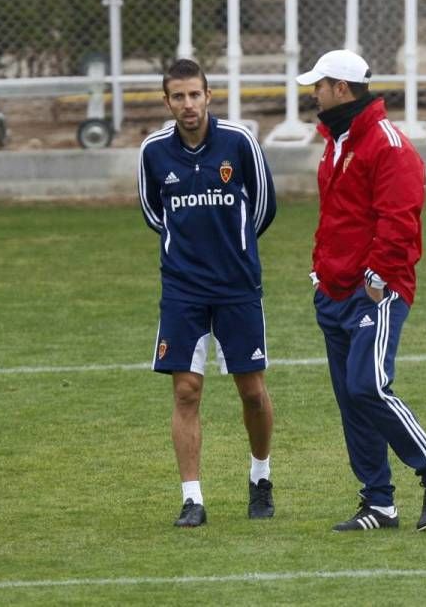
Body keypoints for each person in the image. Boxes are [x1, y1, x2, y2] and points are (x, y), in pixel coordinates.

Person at [296, 49, 426, 532]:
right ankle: (378, 503)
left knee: (367, 386)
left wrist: (376, 279)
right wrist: (320, 272)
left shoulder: (388, 145)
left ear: (342, 89)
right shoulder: (338, 141)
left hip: (375, 291)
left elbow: (400, 220)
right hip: (334, 290)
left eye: (320, 85)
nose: (314, 93)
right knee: (352, 398)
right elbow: (336, 218)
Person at [138, 58, 277, 528]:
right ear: (167, 102)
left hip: (237, 286)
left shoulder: (239, 143)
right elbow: (155, 214)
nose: (187, 104)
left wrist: (232, 251)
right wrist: (190, 255)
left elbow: (262, 208)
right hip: (182, 289)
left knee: (252, 392)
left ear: (208, 95)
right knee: (186, 390)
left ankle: (260, 477)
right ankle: (192, 498)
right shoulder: (154, 151)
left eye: (194, 94)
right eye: (178, 96)